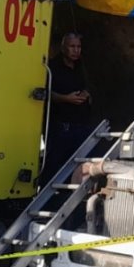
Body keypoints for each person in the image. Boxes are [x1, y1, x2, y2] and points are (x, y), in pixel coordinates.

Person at [42, 32, 94, 182]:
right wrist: (65, 98)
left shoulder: (81, 67)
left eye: (78, 47)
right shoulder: (52, 67)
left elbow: (88, 87)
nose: (76, 50)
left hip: (81, 126)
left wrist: (86, 93)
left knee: (80, 167)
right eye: (72, 46)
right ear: (63, 47)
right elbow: (45, 92)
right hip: (60, 127)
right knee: (53, 168)